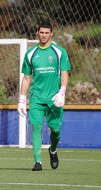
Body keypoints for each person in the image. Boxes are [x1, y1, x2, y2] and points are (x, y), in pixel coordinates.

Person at [17, 20, 71, 171]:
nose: (44, 35)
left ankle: (53, 150)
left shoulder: (60, 52)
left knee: (55, 131)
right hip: (36, 98)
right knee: (35, 126)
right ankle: (38, 161)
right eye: (41, 32)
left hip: (55, 99)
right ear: (37, 33)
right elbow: (27, 78)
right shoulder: (31, 54)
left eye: (47, 33)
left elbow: (65, 74)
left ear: (52, 33)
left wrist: (62, 92)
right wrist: (22, 99)